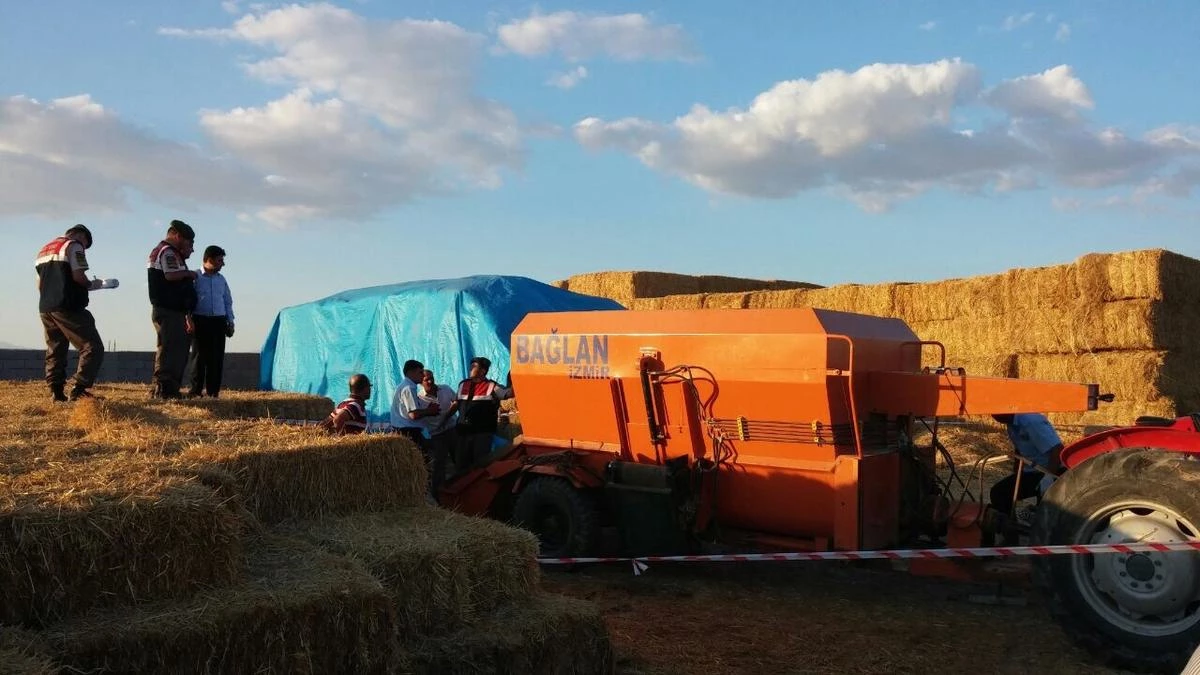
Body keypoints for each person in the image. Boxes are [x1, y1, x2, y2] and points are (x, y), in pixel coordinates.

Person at [34, 225, 118, 402]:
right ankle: (79, 388)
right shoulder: (74, 245)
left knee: (55, 348)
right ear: (81, 236)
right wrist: (94, 285)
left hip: (46, 307)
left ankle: (56, 392)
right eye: (86, 244)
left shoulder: (44, 250)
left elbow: (39, 284)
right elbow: (79, 276)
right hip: (68, 306)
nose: (84, 247)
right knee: (92, 346)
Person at [147, 220, 198, 399]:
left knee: (176, 348)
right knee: (169, 348)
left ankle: (170, 389)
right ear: (177, 235)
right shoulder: (167, 251)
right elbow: (170, 275)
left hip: (173, 309)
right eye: (187, 241)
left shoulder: (169, 252)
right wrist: (189, 274)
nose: (189, 246)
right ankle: (163, 389)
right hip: (167, 308)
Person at [990, 412, 1065, 522]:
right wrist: (1016, 475)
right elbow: (1019, 450)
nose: (994, 416)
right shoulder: (1011, 425)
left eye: (995, 412)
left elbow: (1057, 449)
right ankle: (1010, 531)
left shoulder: (1031, 421)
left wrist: (1048, 477)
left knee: (1045, 508)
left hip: (1052, 470)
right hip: (1031, 471)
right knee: (999, 493)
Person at [445, 357, 514, 470]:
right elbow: (456, 404)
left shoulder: (492, 386)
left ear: (483, 371)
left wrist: (515, 377)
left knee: (480, 465)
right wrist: (444, 419)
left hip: (481, 434)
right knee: (461, 466)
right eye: (470, 365)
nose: (470, 368)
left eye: (474, 366)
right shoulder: (463, 384)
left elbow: (509, 394)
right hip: (463, 432)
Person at [187, 245, 235, 398]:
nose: (223, 264)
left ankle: (213, 392)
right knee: (199, 357)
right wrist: (188, 319)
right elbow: (187, 300)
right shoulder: (195, 277)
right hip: (200, 320)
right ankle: (195, 391)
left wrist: (230, 320)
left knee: (216, 358)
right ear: (209, 260)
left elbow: (227, 301)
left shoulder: (222, 280)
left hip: (219, 321)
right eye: (220, 260)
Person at [418, 368, 457, 498]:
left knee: (459, 459)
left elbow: (457, 401)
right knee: (440, 464)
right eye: (426, 380)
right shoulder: (419, 399)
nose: (430, 381)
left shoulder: (445, 388)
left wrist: (447, 415)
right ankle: (437, 494)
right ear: (420, 382)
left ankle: (461, 487)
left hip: (452, 429)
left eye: (431, 378)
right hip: (437, 434)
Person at [390, 359, 439, 448]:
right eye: (420, 372)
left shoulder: (405, 386)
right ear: (411, 372)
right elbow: (413, 414)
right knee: (423, 458)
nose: (423, 375)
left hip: (405, 431)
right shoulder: (408, 388)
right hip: (408, 433)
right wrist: (430, 411)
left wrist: (427, 410)